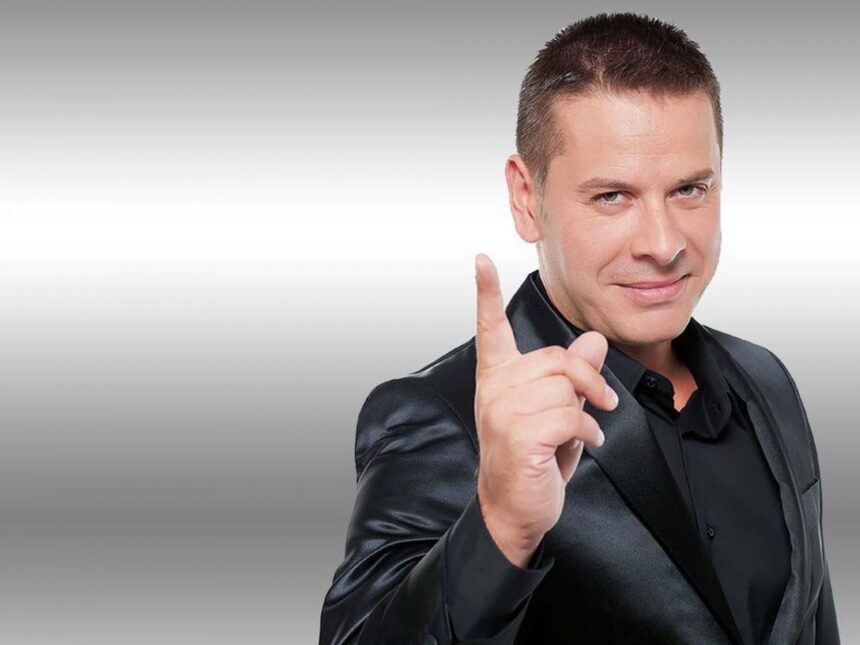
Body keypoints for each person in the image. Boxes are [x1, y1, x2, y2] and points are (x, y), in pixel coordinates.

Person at [318, 11, 840, 645]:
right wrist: (501, 528)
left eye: (689, 189)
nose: (663, 244)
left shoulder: (766, 378)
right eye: (611, 197)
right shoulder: (444, 415)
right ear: (526, 198)